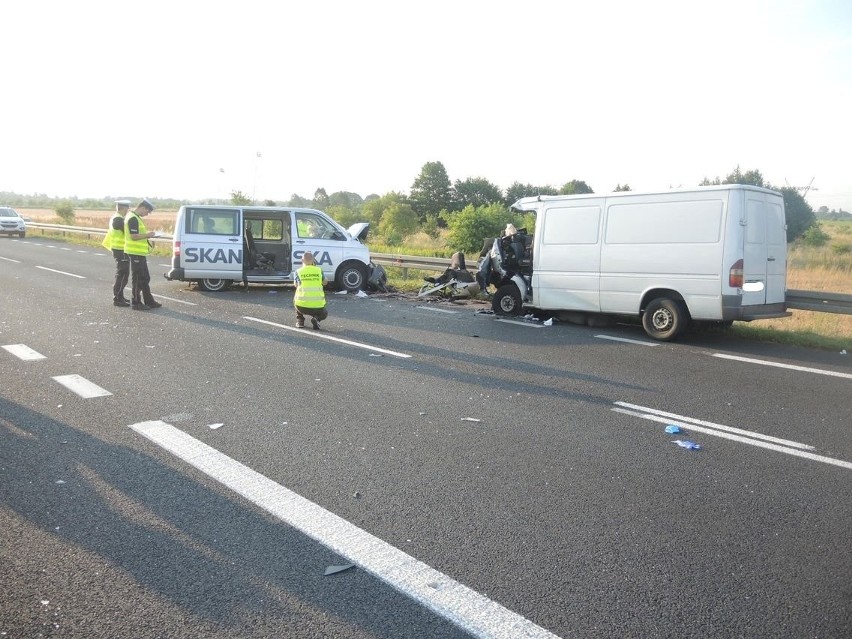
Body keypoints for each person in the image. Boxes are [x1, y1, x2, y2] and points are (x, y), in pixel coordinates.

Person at [124, 198, 162, 311]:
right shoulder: (133, 218)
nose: (147, 214)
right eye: (147, 211)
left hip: (139, 253)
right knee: (138, 279)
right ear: (142, 207)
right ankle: (136, 302)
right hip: (135, 253)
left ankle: (149, 301)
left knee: (145, 277)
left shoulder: (135, 217)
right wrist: (148, 235)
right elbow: (134, 236)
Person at [102, 199, 131, 306]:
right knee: (122, 275)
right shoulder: (118, 220)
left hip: (120, 249)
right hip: (121, 250)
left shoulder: (116, 217)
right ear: (123, 208)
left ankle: (120, 296)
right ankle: (117, 299)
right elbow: (128, 233)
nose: (128, 210)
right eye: (127, 208)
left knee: (123, 274)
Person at [293, 251, 327, 329]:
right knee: (325, 313)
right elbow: (325, 283)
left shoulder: (298, 271)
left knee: (296, 298)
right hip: (318, 307)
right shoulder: (319, 270)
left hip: (301, 307)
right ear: (313, 260)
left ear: (302, 261)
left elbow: (296, 285)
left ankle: (300, 321)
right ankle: (316, 319)